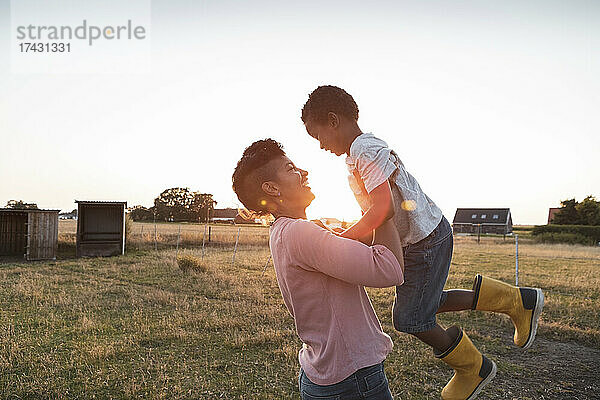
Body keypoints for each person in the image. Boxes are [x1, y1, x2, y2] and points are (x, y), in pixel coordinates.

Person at [301, 85, 545, 400]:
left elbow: (383, 208)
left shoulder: (364, 149)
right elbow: (378, 212)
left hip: (425, 240)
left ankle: (473, 367)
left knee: (410, 317)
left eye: (317, 136)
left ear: (333, 120)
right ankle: (517, 301)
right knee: (426, 305)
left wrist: (341, 240)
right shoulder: (356, 155)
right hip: (423, 238)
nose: (320, 145)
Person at [232, 139, 404, 399]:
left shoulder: (286, 231)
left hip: (327, 375)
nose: (304, 172)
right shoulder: (302, 233)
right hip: (352, 378)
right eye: (291, 168)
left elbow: (354, 242)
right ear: (271, 188)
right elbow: (389, 269)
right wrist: (381, 206)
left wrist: (370, 210)